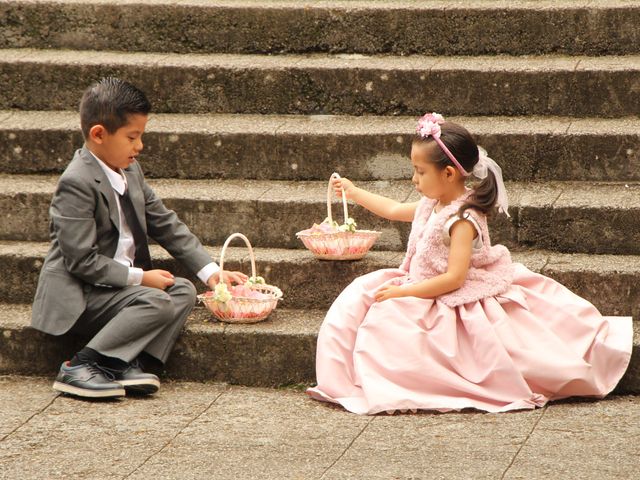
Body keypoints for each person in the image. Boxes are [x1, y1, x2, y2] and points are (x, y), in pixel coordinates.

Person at [306, 113, 632, 414]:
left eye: (420, 172)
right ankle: (345, 378)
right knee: (359, 295)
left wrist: (406, 293)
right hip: (421, 281)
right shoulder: (431, 203)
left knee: (390, 318)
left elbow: (454, 279)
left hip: (449, 292)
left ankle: (404, 380)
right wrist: (353, 192)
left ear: (448, 174)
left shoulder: (462, 219)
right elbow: (393, 210)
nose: (414, 180)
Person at [31, 77, 247, 399]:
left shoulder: (131, 171)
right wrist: (140, 278)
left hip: (115, 291)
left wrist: (211, 272)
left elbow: (165, 223)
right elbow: (81, 261)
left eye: (141, 136)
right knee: (155, 299)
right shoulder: (76, 183)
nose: (140, 146)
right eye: (132, 137)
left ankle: (128, 362)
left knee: (183, 290)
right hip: (82, 293)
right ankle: (81, 366)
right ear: (99, 135)